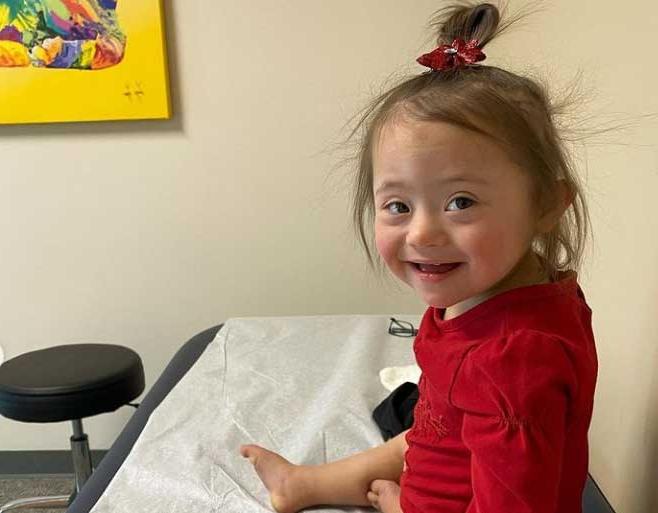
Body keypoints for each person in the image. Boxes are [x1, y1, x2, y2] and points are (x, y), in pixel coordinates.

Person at [239, 2, 598, 512]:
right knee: (418, 433)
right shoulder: (494, 291)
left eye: (461, 202)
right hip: (445, 456)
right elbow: (440, 431)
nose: (423, 233)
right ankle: (304, 485)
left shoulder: (512, 362)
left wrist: (399, 505)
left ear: (544, 205)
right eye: (397, 206)